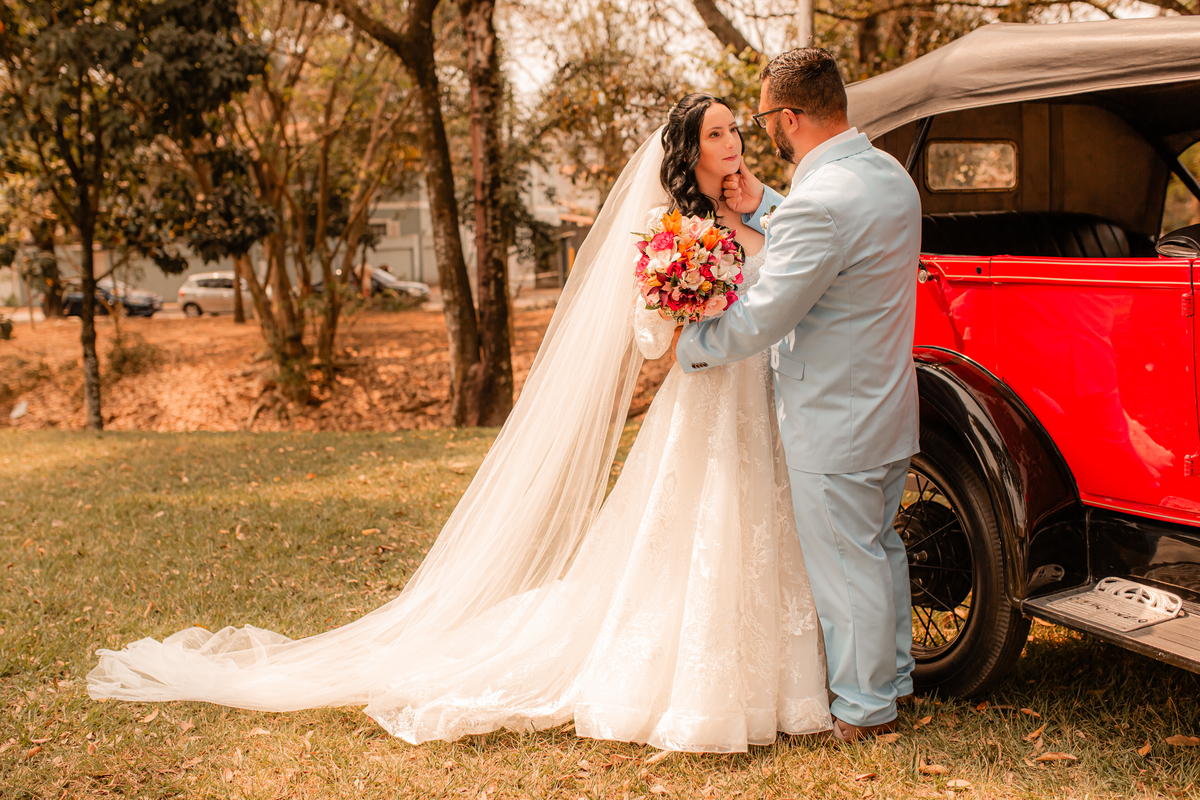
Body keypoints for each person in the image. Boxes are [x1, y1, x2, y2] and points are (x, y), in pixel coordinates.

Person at [87, 93, 831, 752]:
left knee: (758, 524)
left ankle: (781, 683)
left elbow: (789, 267)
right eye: (717, 134)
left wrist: (749, 209)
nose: (732, 142)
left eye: (736, 130)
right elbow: (647, 340)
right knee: (694, 534)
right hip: (702, 401)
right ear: (688, 150)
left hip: (761, 395)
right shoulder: (665, 230)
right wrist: (688, 304)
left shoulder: (754, 209)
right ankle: (690, 687)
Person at [676, 48, 922, 742]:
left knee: (848, 567)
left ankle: (867, 709)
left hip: (832, 418)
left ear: (788, 117)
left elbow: (764, 316)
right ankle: (897, 677)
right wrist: (768, 205)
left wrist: (688, 348)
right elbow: (834, 247)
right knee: (878, 548)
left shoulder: (822, 200)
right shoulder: (889, 177)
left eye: (760, 121)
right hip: (887, 405)